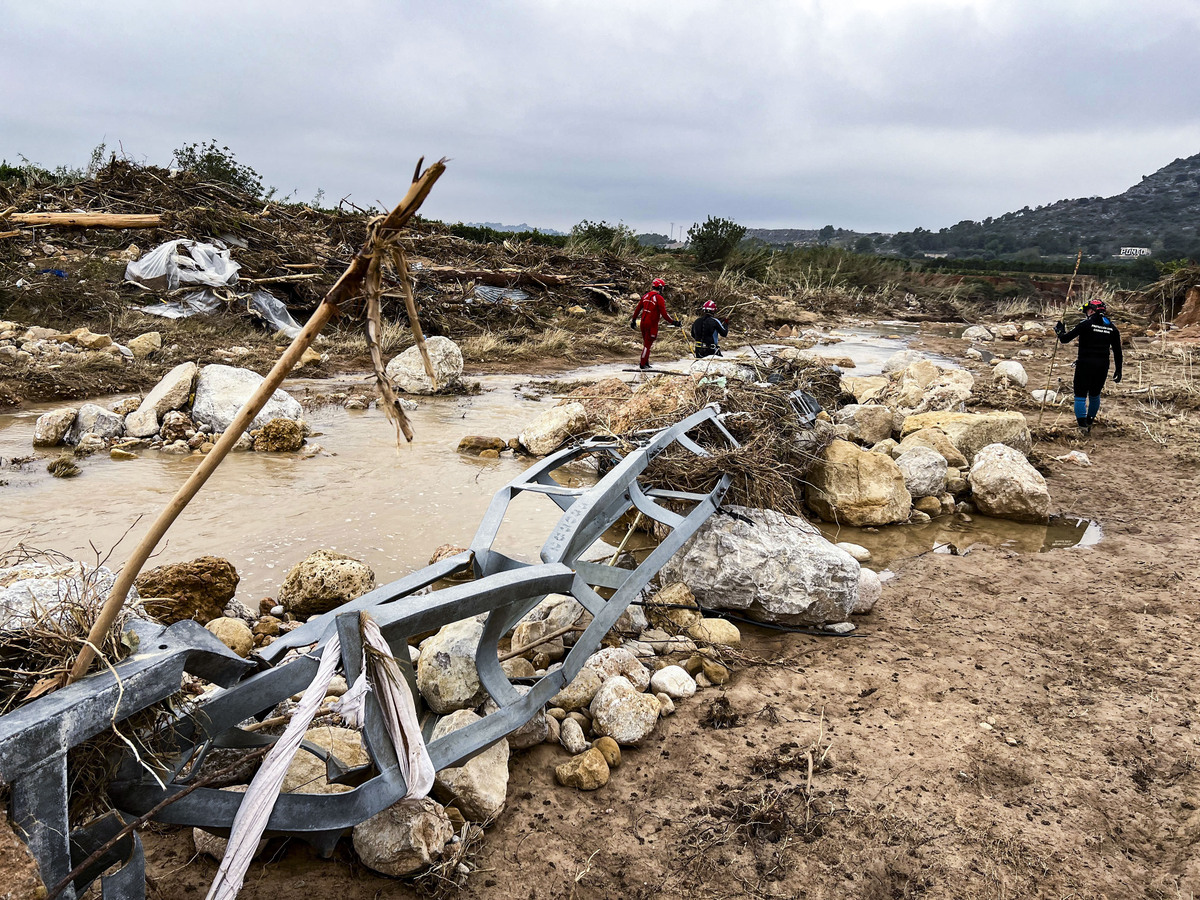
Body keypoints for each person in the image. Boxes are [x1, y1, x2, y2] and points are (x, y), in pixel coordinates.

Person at [1055, 298, 1122, 434]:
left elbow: (1064, 339)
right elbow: (1117, 351)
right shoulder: (1112, 327)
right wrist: (1118, 369)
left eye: (1087, 311)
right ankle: (1089, 421)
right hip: (1102, 366)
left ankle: (1082, 426)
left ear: (1091, 310)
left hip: (1085, 365)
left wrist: (1059, 330)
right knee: (1094, 395)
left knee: (1080, 395)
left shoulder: (1086, 324)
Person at [630, 278, 679, 369]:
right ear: (660, 288)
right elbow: (664, 314)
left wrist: (633, 320)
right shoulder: (659, 298)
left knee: (646, 343)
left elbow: (637, 309)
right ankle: (642, 364)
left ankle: (646, 363)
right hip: (651, 324)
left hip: (643, 322)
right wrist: (673, 322)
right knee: (648, 344)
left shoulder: (645, 296)